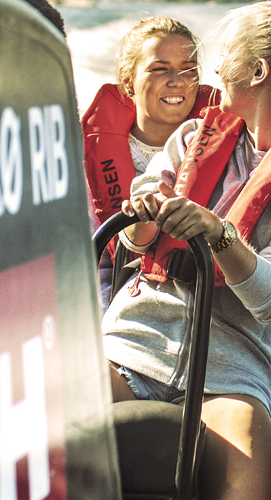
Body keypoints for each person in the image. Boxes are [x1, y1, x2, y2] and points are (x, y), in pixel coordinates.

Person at [102, 2, 271, 500]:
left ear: (258, 71)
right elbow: (133, 244)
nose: (214, 71)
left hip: (232, 374)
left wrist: (220, 236)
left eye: (224, 56)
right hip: (131, 343)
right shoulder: (191, 137)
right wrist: (140, 217)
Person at [81, 16, 218, 306]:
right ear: (128, 81)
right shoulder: (83, 160)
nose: (176, 81)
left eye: (188, 70)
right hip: (113, 310)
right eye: (159, 69)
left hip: (200, 305)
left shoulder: (230, 149)